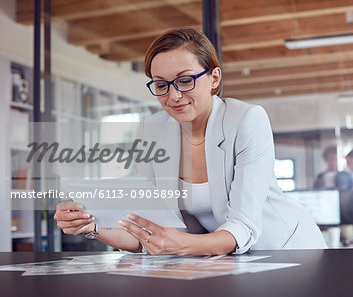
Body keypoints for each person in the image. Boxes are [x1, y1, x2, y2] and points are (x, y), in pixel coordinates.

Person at [54, 28, 326, 255]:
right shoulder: (154, 129)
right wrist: (91, 226)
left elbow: (243, 226)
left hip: (284, 250)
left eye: (185, 80)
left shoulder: (246, 120)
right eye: (161, 85)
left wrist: (180, 245)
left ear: (214, 78)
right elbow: (144, 233)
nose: (173, 96)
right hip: (219, 259)